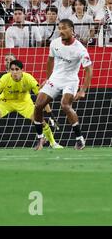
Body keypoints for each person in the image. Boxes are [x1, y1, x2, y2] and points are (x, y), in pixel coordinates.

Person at [0, 59, 62, 150]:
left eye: (17, 69)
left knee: (39, 120)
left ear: (22, 70)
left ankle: (53, 143)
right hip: (6, 102)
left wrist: (50, 114)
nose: (14, 72)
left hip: (24, 103)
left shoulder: (29, 79)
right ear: (9, 70)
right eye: (12, 69)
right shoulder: (4, 79)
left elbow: (42, 97)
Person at [33, 19, 93, 150]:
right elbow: (50, 61)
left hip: (70, 80)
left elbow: (89, 70)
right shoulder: (54, 43)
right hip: (55, 78)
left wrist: (83, 90)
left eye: (64, 28)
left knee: (65, 105)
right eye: (59, 28)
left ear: (72, 29)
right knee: (38, 105)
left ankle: (79, 139)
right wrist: (47, 79)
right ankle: (40, 138)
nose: (61, 31)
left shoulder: (80, 49)